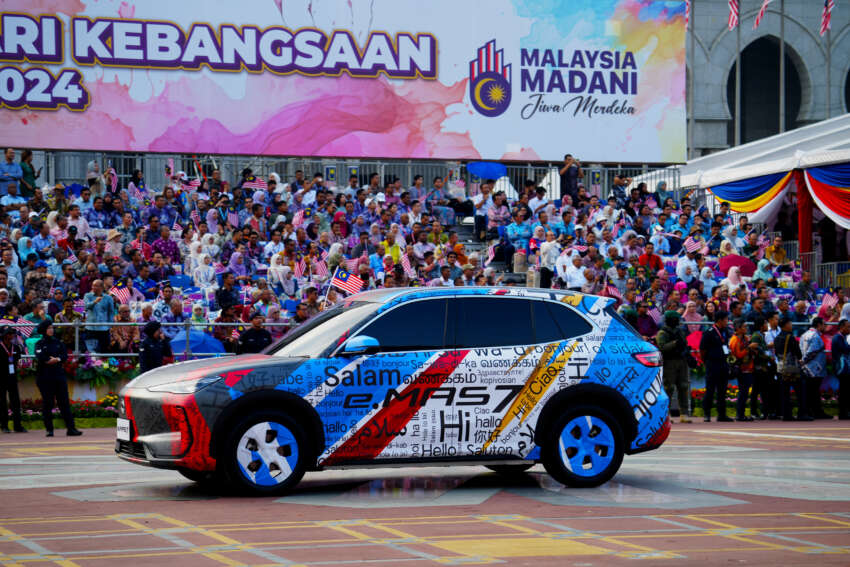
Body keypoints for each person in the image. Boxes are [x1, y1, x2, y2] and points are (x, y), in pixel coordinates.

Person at [34, 320, 81, 437]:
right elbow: (40, 355)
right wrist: (48, 360)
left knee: (64, 403)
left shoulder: (58, 343)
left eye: (52, 328)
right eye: (49, 328)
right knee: (48, 403)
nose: (51, 330)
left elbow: (64, 355)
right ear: (44, 330)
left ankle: (71, 428)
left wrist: (57, 359)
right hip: (44, 377)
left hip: (58, 376)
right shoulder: (39, 343)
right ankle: (49, 429)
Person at [655, 311, 691, 423]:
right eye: (675, 319)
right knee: (668, 388)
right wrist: (674, 343)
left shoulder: (680, 331)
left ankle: (684, 413)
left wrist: (685, 350)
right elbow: (661, 347)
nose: (677, 321)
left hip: (681, 361)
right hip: (669, 362)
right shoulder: (662, 333)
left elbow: (684, 343)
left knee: (683, 386)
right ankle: (666, 414)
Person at [773, 316, 811, 421]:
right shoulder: (790, 337)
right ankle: (802, 414)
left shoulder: (776, 338)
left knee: (784, 392)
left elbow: (776, 353)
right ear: (786, 325)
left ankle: (787, 414)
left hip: (781, 366)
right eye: (790, 323)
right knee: (800, 391)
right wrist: (800, 359)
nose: (791, 325)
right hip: (792, 368)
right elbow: (798, 353)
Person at [699, 310, 733, 422]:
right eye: (726, 320)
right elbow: (702, 349)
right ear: (720, 320)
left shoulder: (726, 331)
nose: (727, 322)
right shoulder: (709, 332)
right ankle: (707, 414)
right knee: (710, 390)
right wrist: (706, 361)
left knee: (722, 390)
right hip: (712, 364)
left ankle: (721, 414)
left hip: (723, 364)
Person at [799, 317, 829, 419]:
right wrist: (803, 361)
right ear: (819, 325)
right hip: (815, 368)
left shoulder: (804, 335)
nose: (825, 326)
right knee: (814, 391)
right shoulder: (815, 336)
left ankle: (813, 411)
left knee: (810, 391)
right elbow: (812, 352)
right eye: (824, 324)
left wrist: (803, 362)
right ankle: (816, 412)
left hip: (807, 368)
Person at [728, 318, 755, 421]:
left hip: (748, 368)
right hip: (741, 369)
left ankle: (742, 414)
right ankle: (740, 415)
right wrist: (749, 348)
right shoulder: (735, 340)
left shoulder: (745, 338)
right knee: (743, 392)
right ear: (738, 328)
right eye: (744, 326)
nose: (746, 328)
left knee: (745, 392)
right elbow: (738, 355)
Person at [0, 326, 25, 433]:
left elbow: (18, 359)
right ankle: (4, 426)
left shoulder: (16, 347)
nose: (12, 335)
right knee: (2, 402)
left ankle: (17, 426)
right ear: (4, 335)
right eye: (9, 333)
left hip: (12, 377)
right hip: (1, 378)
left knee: (15, 402)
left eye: (12, 333)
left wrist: (19, 363)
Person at [832, 319, 850, 420]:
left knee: (846, 391)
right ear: (842, 327)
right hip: (841, 369)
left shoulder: (842, 337)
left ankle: (845, 412)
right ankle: (843, 413)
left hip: (844, 368)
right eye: (848, 327)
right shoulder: (838, 337)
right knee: (844, 391)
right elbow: (845, 349)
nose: (849, 329)